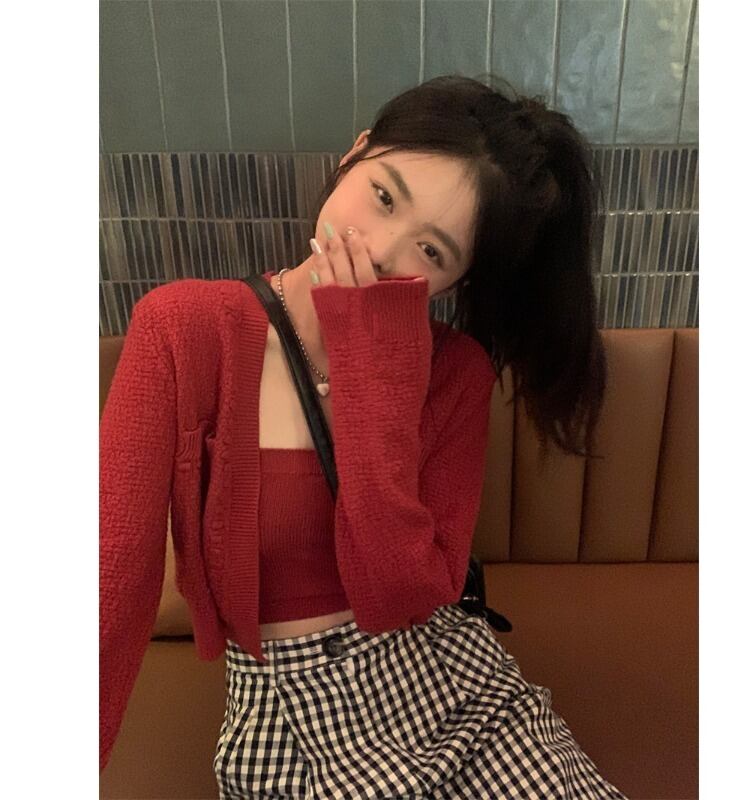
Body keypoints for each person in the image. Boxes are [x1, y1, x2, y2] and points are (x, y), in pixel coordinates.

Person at [100, 74, 626, 798]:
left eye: (432, 252)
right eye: (383, 195)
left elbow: (397, 597)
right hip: (286, 715)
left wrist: (370, 366)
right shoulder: (182, 329)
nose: (378, 250)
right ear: (355, 152)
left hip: (448, 689)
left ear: (457, 282)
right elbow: (111, 580)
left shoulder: (455, 373)